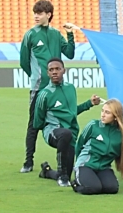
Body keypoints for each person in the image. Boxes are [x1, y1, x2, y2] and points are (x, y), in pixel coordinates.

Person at [19, 0, 77, 173]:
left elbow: (70, 54)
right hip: (38, 88)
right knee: (34, 124)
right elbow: (23, 62)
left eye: (40, 13)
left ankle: (65, 163)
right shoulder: (30, 35)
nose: (36, 16)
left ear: (49, 15)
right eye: (35, 13)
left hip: (57, 88)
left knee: (63, 121)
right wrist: (37, 77)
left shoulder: (57, 34)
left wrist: (70, 35)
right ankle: (28, 161)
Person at [34, 58, 100, 187]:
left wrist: (89, 103)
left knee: (68, 177)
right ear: (47, 73)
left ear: (64, 71)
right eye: (51, 70)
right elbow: (37, 122)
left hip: (70, 135)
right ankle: (62, 174)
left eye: (57, 69)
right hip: (53, 133)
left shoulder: (70, 88)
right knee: (65, 134)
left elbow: (72, 112)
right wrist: (49, 128)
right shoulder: (44, 94)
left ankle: (47, 172)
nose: (54, 72)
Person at [73, 99, 123, 194]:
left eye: (107, 112)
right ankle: (76, 184)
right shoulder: (93, 125)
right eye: (102, 110)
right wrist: (78, 166)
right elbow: (79, 145)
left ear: (115, 116)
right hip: (86, 165)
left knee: (112, 189)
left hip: (104, 168)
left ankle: (94, 180)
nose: (103, 115)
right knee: (93, 188)